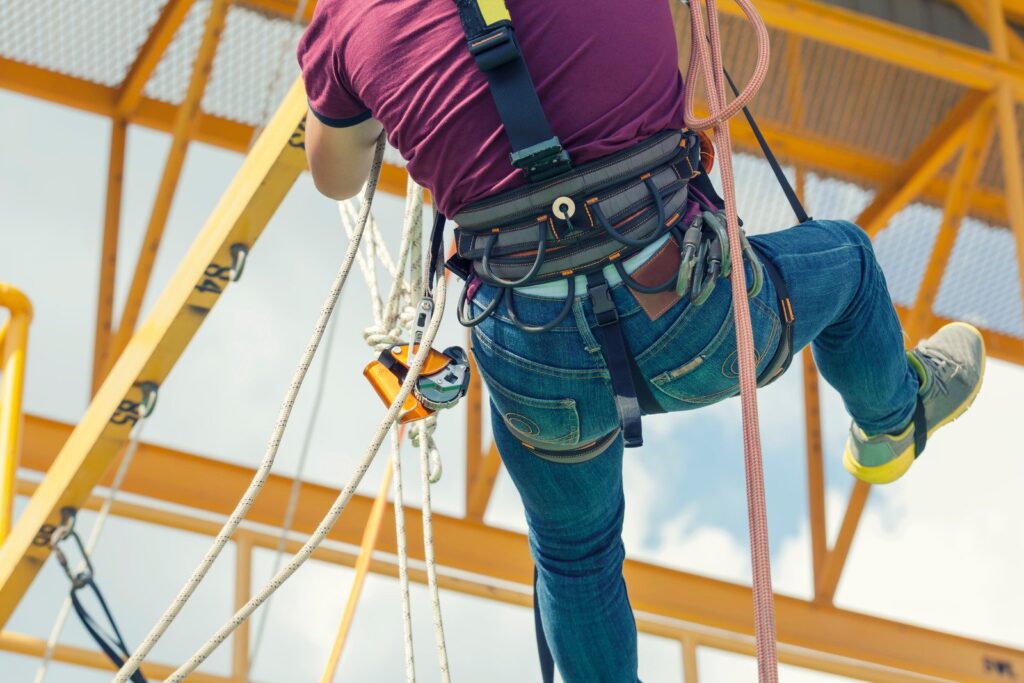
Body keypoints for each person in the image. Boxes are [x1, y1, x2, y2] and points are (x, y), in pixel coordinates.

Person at [297, 1, 986, 680]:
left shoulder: (347, 18)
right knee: (848, 261)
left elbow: (337, 178)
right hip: (688, 301)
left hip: (533, 349)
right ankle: (893, 421)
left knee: (575, 557)